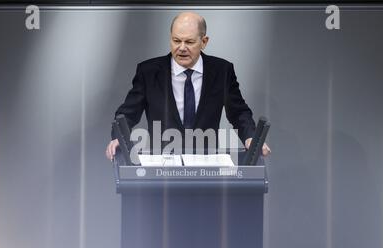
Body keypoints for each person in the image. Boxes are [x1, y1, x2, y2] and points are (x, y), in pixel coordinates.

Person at [106, 11, 271, 160]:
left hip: (206, 165)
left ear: (204, 41)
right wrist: (118, 138)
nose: (181, 48)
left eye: (189, 42)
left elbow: (239, 112)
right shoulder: (148, 72)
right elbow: (128, 113)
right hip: (162, 166)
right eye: (176, 40)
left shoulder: (222, 71)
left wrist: (251, 138)